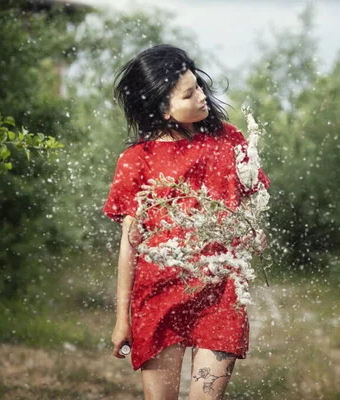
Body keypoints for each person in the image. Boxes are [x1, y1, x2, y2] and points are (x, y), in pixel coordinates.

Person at [103, 44, 269, 400]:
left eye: (199, 86)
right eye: (189, 94)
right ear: (163, 109)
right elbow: (130, 244)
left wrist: (255, 229)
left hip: (220, 294)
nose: (202, 97)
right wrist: (122, 319)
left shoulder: (229, 141)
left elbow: (255, 196)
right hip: (158, 298)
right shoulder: (138, 160)